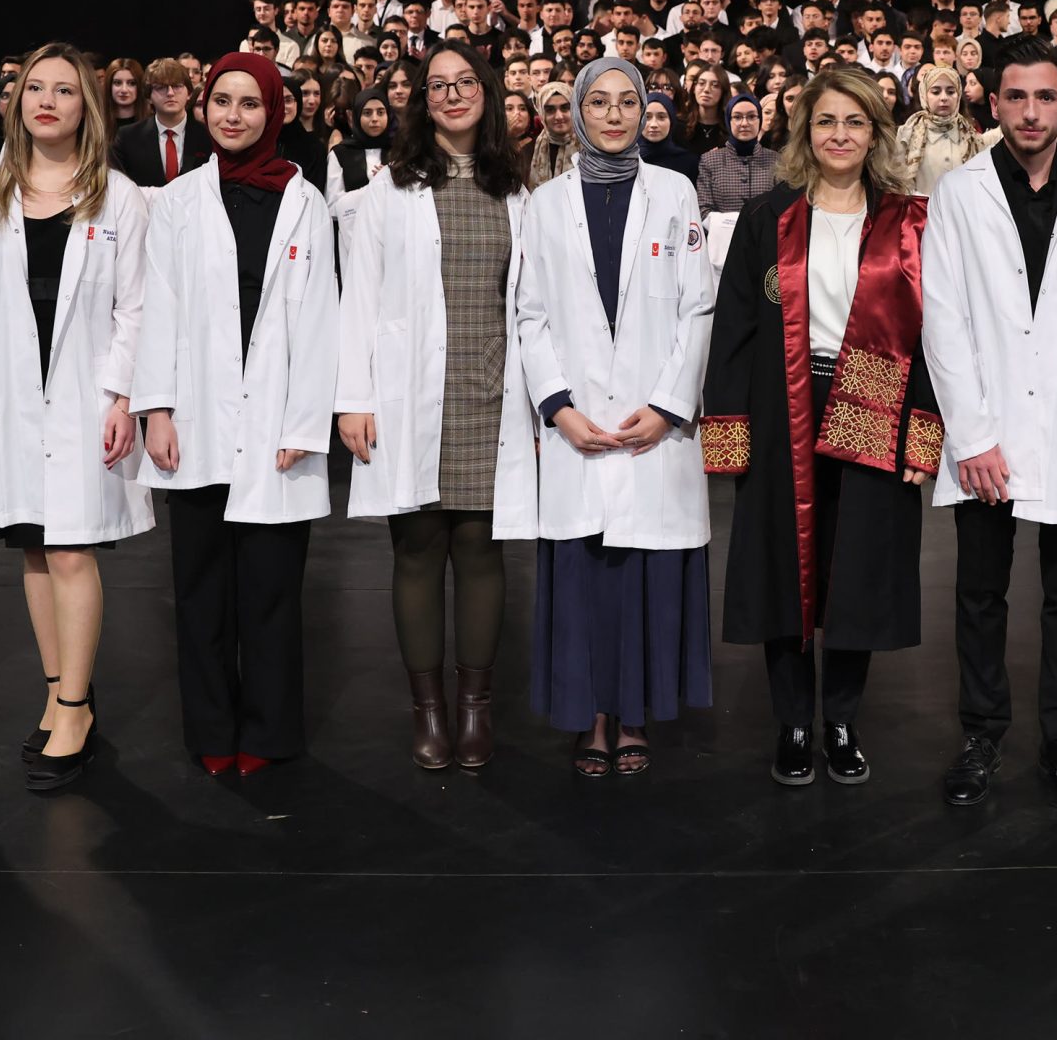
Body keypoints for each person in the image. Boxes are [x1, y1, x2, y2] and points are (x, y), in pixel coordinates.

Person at [705, 64, 943, 787]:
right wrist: (730, 432)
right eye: (826, 121)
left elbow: (935, 336)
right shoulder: (767, 217)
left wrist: (922, 432)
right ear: (805, 131)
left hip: (873, 393)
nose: (840, 135)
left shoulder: (910, 220)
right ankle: (793, 722)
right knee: (783, 565)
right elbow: (734, 330)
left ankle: (840, 719)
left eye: (854, 122)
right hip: (784, 400)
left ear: (876, 133)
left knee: (856, 569)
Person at [921, 38, 1057, 809]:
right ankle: (982, 736)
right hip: (987, 428)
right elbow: (942, 319)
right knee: (980, 593)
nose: (1031, 112)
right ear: (994, 103)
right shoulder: (960, 193)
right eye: (1016, 97)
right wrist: (972, 436)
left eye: (1046, 96)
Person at [0, 44, 153, 792]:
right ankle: (57, 691)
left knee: (71, 550)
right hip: (12, 397)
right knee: (34, 548)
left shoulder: (120, 197)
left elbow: (136, 308)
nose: (46, 101)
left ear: (87, 107)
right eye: (34, 88)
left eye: (64, 90)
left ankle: (74, 708)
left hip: (86, 397)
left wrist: (123, 395)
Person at [133, 54, 339, 774]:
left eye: (250, 103)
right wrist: (157, 410)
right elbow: (159, 309)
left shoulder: (306, 202)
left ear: (274, 111)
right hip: (195, 420)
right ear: (203, 106)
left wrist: (304, 423)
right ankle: (212, 730)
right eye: (222, 100)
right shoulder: (177, 201)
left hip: (278, 423)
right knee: (200, 589)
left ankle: (269, 732)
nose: (233, 115)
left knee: (272, 591)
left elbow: (320, 318)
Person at [515, 57, 718, 776]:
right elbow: (530, 315)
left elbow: (698, 307)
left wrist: (667, 407)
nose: (612, 114)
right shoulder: (545, 204)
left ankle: (634, 713)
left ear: (644, 112)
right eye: (597, 101)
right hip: (577, 427)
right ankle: (594, 715)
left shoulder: (675, 191)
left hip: (651, 427)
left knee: (644, 573)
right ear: (576, 112)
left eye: (627, 101)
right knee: (586, 575)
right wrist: (557, 407)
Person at [334, 47, 535, 771]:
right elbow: (358, 298)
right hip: (409, 390)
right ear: (422, 100)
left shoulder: (516, 189)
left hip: (492, 390)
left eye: (465, 83)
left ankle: (476, 706)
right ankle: (428, 710)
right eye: (438, 86)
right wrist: (353, 398)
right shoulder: (390, 190)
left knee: (481, 549)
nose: (452, 95)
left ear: (487, 93)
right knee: (417, 549)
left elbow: (532, 303)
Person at [115, 60, 211, 189]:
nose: (170, 93)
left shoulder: (208, 135)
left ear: (189, 93)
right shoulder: (128, 137)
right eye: (161, 87)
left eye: (177, 86)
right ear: (148, 96)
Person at [895, 66, 982, 197]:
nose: (944, 98)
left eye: (951, 92)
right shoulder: (907, 132)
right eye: (936, 92)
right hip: (921, 208)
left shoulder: (969, 132)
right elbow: (898, 181)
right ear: (924, 95)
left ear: (958, 95)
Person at [696, 93, 780, 217]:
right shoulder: (709, 161)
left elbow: (784, 207)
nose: (744, 123)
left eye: (751, 116)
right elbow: (703, 209)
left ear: (760, 120)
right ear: (728, 121)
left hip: (766, 229)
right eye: (737, 117)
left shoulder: (776, 160)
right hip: (722, 229)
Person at [639, 92, 700, 183]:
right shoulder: (627, 160)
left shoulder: (688, 162)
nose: (653, 124)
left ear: (671, 121)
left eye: (661, 117)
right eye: (647, 117)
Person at [527, 81, 578, 187]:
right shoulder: (528, 151)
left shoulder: (590, 149)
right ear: (541, 113)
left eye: (565, 108)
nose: (559, 116)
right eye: (550, 110)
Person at [104, 57, 148, 130]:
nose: (124, 90)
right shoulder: (97, 124)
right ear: (109, 86)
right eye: (118, 83)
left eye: (132, 83)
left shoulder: (153, 123)